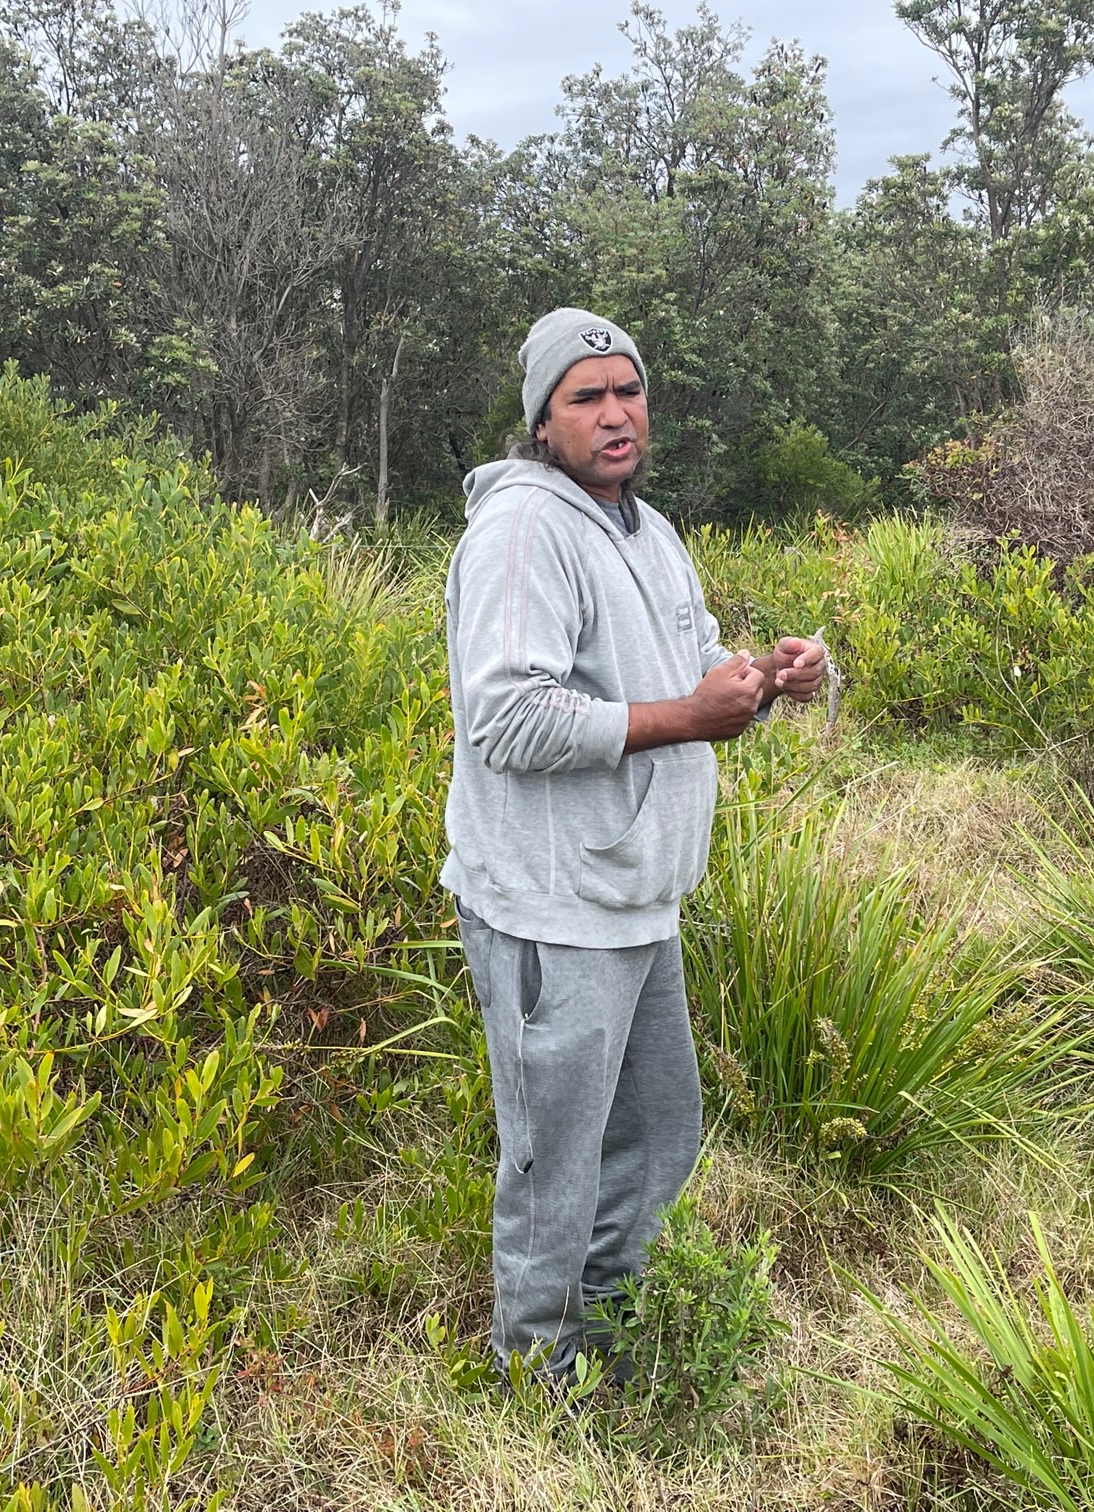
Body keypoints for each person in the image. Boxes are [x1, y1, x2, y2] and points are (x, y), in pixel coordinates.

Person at [442, 306, 826, 1380]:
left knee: (655, 1136)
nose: (615, 414)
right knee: (555, 1165)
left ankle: (609, 1353)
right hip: (550, 907)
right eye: (585, 398)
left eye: (628, 391)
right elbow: (508, 720)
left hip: (634, 898)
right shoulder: (524, 531)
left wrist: (768, 681)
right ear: (542, 421)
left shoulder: (646, 529)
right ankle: (536, 1385)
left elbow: (694, 676)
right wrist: (690, 717)